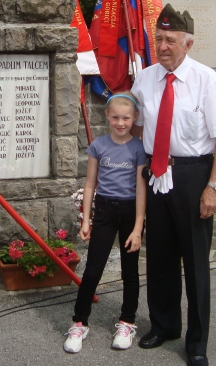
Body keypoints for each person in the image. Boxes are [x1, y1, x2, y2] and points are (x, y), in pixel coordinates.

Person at [131, 4, 216, 366]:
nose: (163, 46)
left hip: (193, 178)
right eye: (158, 38)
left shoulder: (207, 81)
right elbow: (139, 126)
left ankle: (197, 342)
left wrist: (213, 187)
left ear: (188, 43)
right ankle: (164, 326)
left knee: (195, 262)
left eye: (170, 40)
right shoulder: (144, 79)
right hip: (156, 174)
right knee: (159, 257)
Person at [63, 92, 147, 353]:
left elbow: (142, 189)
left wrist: (137, 228)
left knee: (129, 271)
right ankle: (79, 322)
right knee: (92, 269)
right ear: (106, 117)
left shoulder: (139, 148)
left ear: (135, 118)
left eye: (126, 118)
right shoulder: (98, 146)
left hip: (130, 211)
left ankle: (127, 321)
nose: (120, 123)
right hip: (105, 212)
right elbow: (90, 184)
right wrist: (86, 219)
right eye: (115, 117)